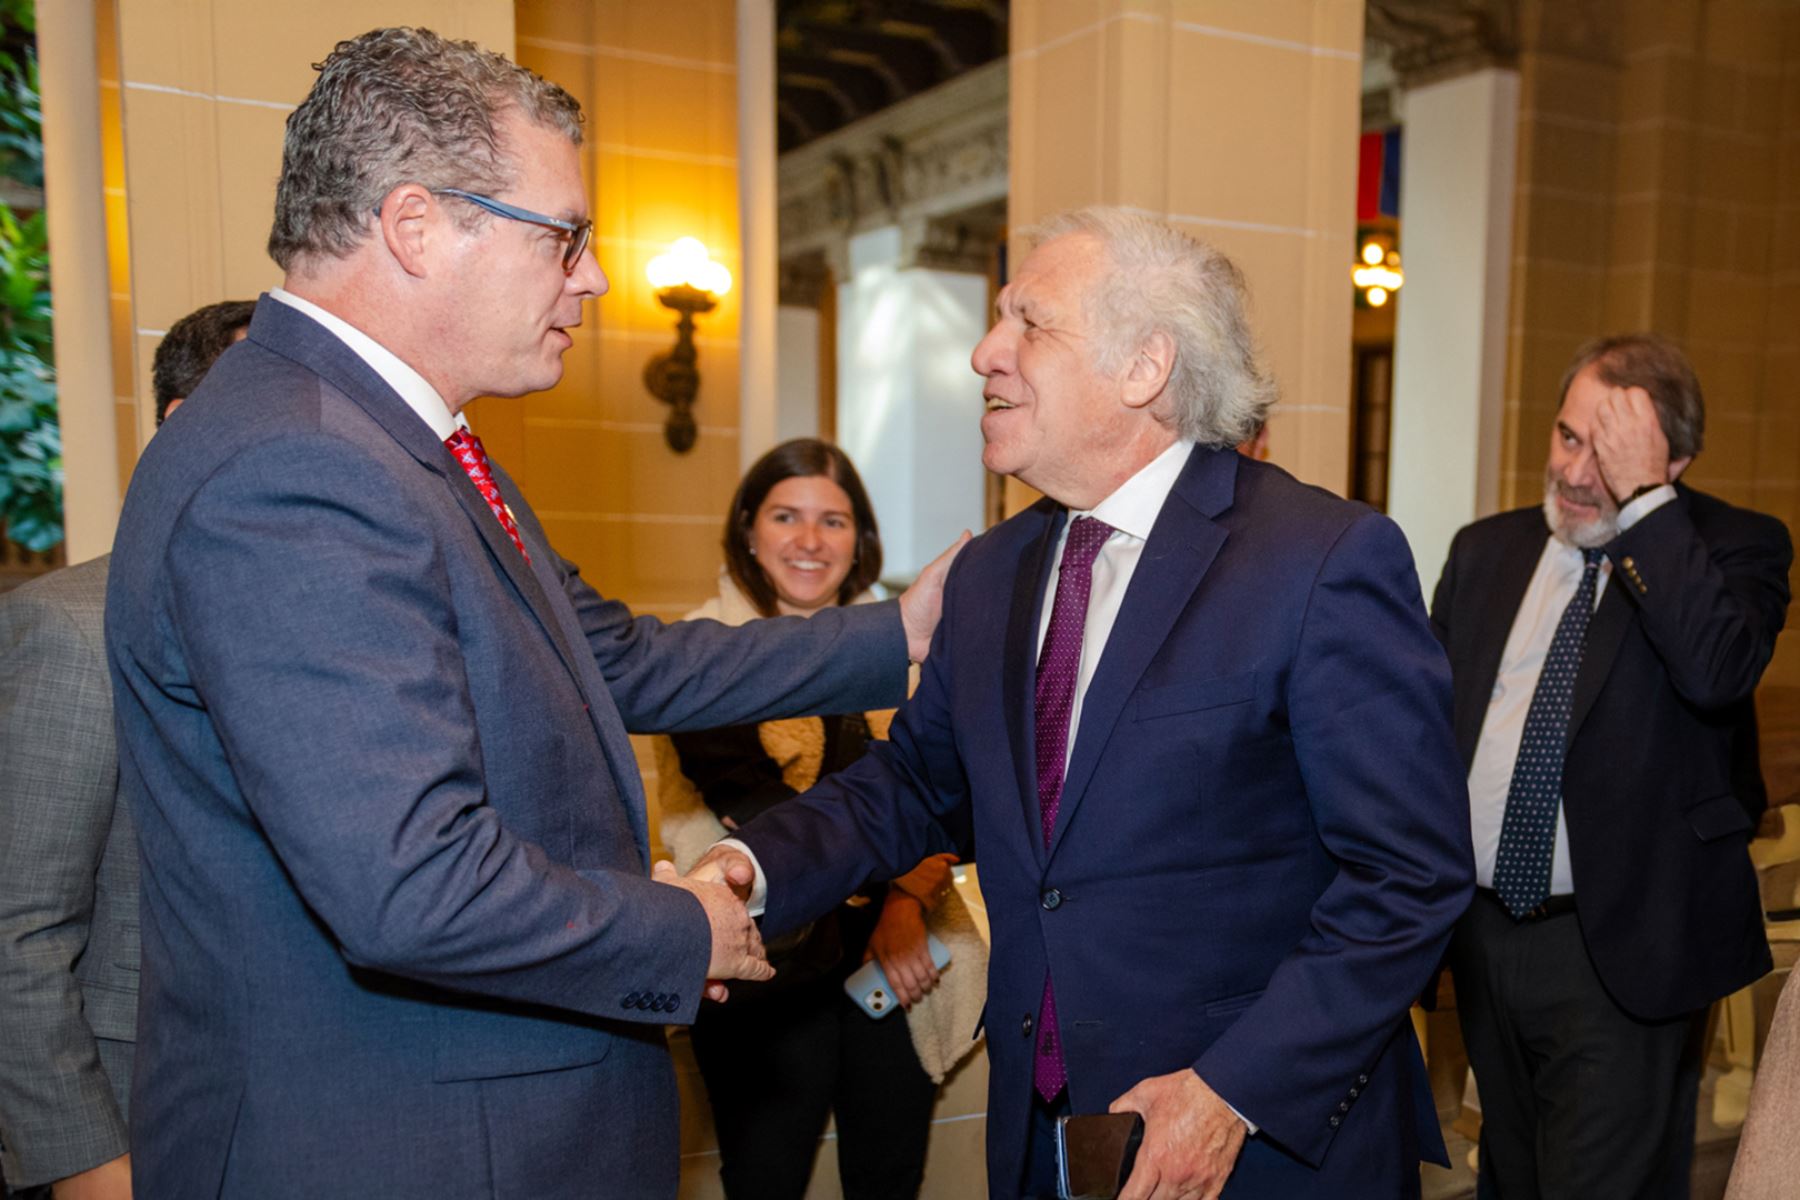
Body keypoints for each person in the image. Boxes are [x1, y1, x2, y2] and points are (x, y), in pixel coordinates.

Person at [102, 28, 952, 1199]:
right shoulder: (299, 466)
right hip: (400, 1148)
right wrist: (681, 927)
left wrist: (898, 635)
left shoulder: (397, 444)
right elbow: (411, 885)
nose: (595, 276)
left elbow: (617, 660)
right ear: (414, 225)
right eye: (565, 236)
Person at [697, 206, 1474, 1199]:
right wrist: (743, 869)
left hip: (1258, 1148)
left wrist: (1230, 1093)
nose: (986, 352)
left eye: (1030, 323)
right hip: (1042, 1136)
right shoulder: (991, 574)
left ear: (1145, 367)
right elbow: (912, 786)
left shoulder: (1318, 561)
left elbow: (1410, 879)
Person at [1429, 333, 1791, 1198]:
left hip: (1619, 945)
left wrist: (1646, 503)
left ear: (1680, 459)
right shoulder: (1487, 549)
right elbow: (1428, 727)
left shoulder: (1732, 546)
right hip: (1482, 931)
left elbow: (1715, 670)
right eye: (1568, 436)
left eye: (1613, 450)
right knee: (1506, 1175)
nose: (1578, 470)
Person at [656, 438, 981, 1200]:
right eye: (786, 516)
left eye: (833, 522)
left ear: (861, 541)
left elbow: (945, 800)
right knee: (767, 1179)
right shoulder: (702, 652)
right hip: (764, 960)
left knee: (889, 1175)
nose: (809, 541)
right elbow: (769, 814)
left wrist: (905, 901)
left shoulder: (904, 656)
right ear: (747, 529)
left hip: (889, 952)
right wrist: (897, 873)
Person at [0, 299, 252, 1200]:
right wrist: (89, 1167)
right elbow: (18, 931)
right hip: (135, 1126)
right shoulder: (69, 629)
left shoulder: (331, 628)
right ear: (186, 428)